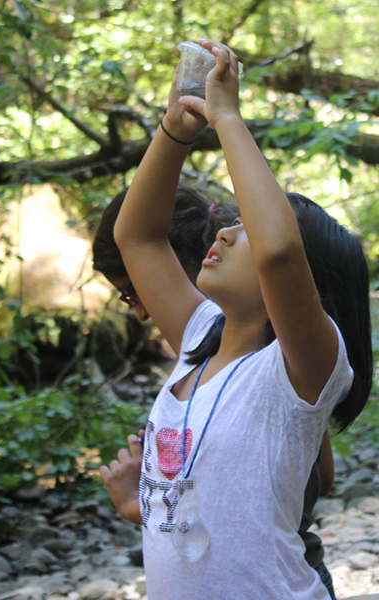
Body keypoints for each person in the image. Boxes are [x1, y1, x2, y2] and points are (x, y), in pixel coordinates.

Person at [102, 38, 372, 600]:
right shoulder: (202, 337)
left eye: (245, 226)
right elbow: (137, 237)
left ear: (306, 281)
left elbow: (278, 252)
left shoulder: (302, 368)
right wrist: (175, 131)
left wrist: (227, 118)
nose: (223, 231)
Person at [94, 187, 339, 597]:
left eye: (134, 290)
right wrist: (147, 505)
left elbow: (320, 475)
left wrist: (223, 119)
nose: (138, 308)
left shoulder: (284, 362)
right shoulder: (200, 348)